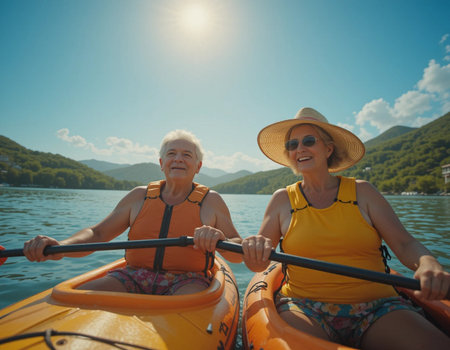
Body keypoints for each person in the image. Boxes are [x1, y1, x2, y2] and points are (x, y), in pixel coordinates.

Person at [242, 108, 449, 349]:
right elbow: (257, 264)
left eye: (309, 141)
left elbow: (405, 245)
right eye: (292, 144)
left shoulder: (364, 192)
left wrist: (428, 263)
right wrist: (253, 247)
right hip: (304, 306)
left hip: (376, 307)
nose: (299, 148)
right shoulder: (281, 199)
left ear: (328, 149)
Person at [24, 129, 242, 295]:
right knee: (78, 298)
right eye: (171, 153)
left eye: (187, 155)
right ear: (161, 163)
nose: (178, 159)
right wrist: (61, 247)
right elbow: (98, 234)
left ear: (198, 166)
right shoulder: (139, 196)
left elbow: (237, 250)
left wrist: (220, 238)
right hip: (134, 275)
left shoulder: (211, 201)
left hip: (189, 280)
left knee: (185, 304)